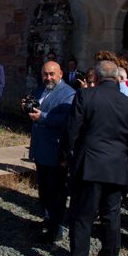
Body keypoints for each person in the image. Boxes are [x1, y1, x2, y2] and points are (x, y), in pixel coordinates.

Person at [67, 60, 128, 256]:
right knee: (111, 217)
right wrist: (127, 163)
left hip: (89, 165)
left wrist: (69, 157)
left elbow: (73, 130)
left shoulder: (85, 95)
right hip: (117, 167)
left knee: (83, 216)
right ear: (117, 78)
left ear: (97, 78)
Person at [24, 61, 75, 244]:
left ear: (60, 73)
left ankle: (57, 229)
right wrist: (26, 106)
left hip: (56, 149)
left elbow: (67, 119)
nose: (49, 78)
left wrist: (42, 117)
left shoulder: (68, 93)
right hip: (40, 148)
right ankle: (47, 219)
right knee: (44, 189)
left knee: (56, 191)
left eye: (52, 74)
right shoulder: (39, 90)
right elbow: (34, 108)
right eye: (45, 74)